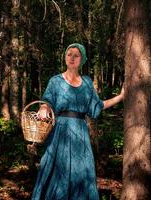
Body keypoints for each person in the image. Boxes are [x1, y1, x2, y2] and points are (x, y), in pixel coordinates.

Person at [31, 43, 124, 200]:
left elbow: (98, 106)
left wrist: (121, 97)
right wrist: (44, 108)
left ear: (82, 59)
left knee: (81, 172)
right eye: (69, 54)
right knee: (56, 170)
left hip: (80, 134)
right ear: (65, 57)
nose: (72, 58)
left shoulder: (87, 83)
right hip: (58, 132)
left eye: (76, 55)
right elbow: (47, 101)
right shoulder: (55, 81)